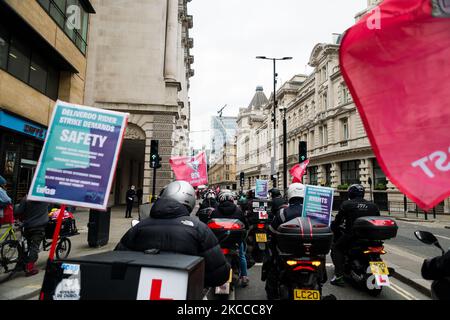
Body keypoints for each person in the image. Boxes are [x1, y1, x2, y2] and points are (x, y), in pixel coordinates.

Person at [115, 181, 230, 288]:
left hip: (142, 290)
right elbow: (219, 275)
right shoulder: (199, 228)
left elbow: (115, 264)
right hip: (185, 291)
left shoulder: (139, 227)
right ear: (190, 200)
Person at [330, 184, 380, 286]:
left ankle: (338, 276)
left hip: (352, 236)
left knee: (336, 248)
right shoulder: (373, 205)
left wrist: (333, 227)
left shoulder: (347, 204)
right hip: (371, 238)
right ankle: (379, 274)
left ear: (351, 193)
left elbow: (338, 220)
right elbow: (378, 220)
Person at [264, 183, 306, 299]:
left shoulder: (283, 213)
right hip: (309, 251)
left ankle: (272, 294)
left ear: (289, 195)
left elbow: (272, 231)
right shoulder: (312, 212)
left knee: (272, 265)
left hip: (287, 252)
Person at [210, 191, 250, 287]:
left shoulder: (215, 211)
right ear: (232, 200)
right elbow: (246, 226)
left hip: (220, 240)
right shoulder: (238, 211)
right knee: (241, 255)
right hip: (235, 241)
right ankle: (244, 276)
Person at [14, 195, 50, 276]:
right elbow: (49, 209)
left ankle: (20, 264)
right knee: (34, 247)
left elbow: (19, 211)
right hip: (39, 227)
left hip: (28, 226)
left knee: (27, 245)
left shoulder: (26, 198)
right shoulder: (45, 198)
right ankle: (30, 268)